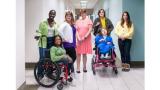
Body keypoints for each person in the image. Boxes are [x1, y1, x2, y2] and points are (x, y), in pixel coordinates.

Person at [36, 10, 59, 78]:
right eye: (51, 14)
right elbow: (39, 31)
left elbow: (57, 33)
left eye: (54, 14)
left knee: (51, 58)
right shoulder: (43, 22)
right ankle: (40, 74)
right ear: (48, 14)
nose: (52, 15)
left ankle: (49, 73)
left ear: (55, 15)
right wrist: (37, 35)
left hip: (52, 41)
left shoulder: (56, 24)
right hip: (43, 42)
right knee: (42, 58)